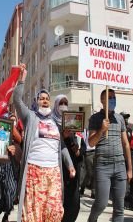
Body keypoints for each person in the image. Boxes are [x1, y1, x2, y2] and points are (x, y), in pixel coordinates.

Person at [13, 64, 76, 222]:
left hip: (53, 172)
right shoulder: (30, 117)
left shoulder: (56, 123)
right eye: (42, 98)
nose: (45, 101)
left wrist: (70, 165)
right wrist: (22, 79)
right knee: (34, 213)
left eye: (47, 98)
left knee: (54, 211)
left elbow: (61, 147)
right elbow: (16, 100)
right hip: (34, 170)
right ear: (36, 101)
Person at [87, 88, 132, 222]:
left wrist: (129, 168)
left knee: (119, 207)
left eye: (114, 97)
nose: (113, 100)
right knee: (101, 203)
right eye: (110, 97)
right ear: (102, 100)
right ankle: (92, 219)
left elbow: (126, 144)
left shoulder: (119, 119)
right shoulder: (95, 118)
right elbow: (91, 143)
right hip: (103, 165)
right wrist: (102, 129)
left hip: (119, 165)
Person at [52, 94, 86, 222]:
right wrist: (63, 136)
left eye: (65, 103)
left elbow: (82, 148)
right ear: (56, 105)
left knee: (74, 204)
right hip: (57, 167)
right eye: (61, 103)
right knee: (59, 201)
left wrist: (76, 149)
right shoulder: (50, 122)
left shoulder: (75, 123)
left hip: (73, 171)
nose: (63, 106)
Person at [0, 113, 22, 222]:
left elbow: (20, 144)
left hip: (11, 168)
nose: (12, 122)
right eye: (10, 120)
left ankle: (7, 213)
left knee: (10, 192)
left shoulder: (17, 137)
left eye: (14, 120)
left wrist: (14, 150)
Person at [120, 112, 133, 211]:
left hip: (130, 157)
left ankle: (132, 200)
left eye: (127, 118)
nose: (126, 120)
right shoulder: (118, 130)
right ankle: (122, 201)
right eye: (124, 118)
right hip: (121, 158)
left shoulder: (130, 130)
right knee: (123, 180)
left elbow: (132, 144)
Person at [80, 128, 95, 199]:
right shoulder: (85, 131)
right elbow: (82, 141)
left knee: (95, 173)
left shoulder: (98, 130)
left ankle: (93, 191)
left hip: (96, 152)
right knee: (90, 173)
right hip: (88, 153)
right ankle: (83, 186)